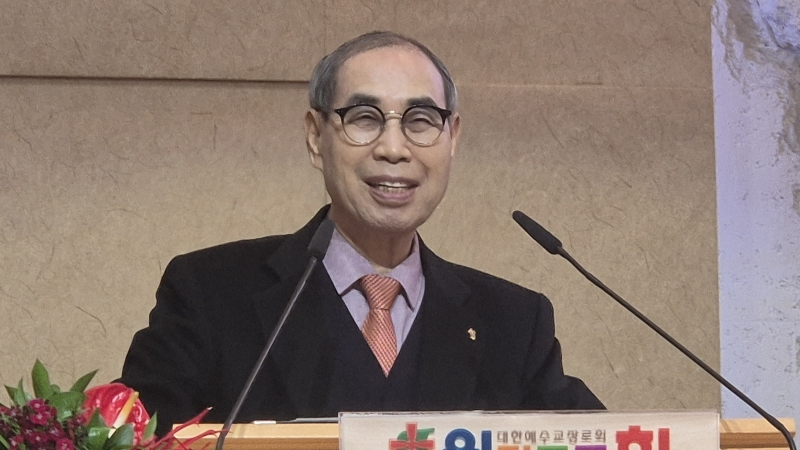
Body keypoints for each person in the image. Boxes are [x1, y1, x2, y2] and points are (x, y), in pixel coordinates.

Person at [120, 31, 603, 437]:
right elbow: (134, 438)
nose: (393, 148)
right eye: (365, 119)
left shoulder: (512, 323)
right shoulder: (209, 293)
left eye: (420, 121)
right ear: (316, 137)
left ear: (452, 137)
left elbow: (600, 440)